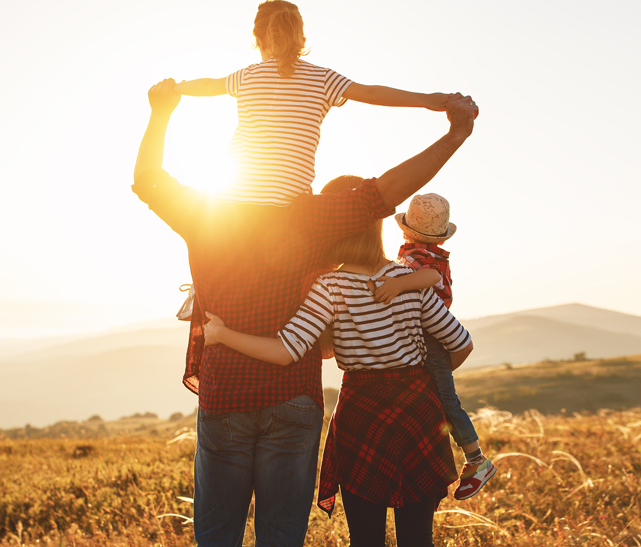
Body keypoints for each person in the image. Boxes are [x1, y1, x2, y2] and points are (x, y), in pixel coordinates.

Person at [132, 78, 477, 547]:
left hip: (228, 393)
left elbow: (148, 179)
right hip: (301, 398)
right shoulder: (315, 220)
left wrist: (161, 111)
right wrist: (455, 134)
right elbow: (389, 191)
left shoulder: (205, 212)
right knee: (283, 537)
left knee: (216, 535)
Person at [201, 176, 474, 546]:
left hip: (362, 414)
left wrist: (221, 334)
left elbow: (288, 351)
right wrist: (419, 380)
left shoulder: (329, 286)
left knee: (364, 538)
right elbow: (461, 344)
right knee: (417, 538)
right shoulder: (411, 279)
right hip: (418, 412)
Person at [175, 0, 456, 206]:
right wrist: (427, 100)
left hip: (232, 199)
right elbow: (371, 94)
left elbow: (208, 85)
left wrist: (175, 88)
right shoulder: (323, 78)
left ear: (258, 41)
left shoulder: (247, 76)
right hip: (289, 202)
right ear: (302, 40)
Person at [369, 192, 496, 499]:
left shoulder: (422, 259)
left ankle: (476, 459)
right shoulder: (420, 253)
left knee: (445, 400)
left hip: (430, 336)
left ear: (405, 229)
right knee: (432, 398)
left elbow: (429, 277)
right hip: (425, 336)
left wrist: (398, 284)